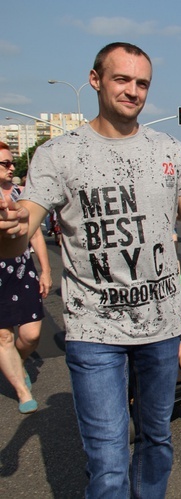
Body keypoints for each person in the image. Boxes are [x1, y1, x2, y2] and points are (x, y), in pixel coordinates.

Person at [0, 42, 181, 497]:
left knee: (157, 440)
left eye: (142, 83)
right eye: (122, 79)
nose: (133, 91)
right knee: (109, 459)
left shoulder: (169, 150)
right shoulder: (58, 155)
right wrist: (8, 229)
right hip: (93, 332)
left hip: (161, 328)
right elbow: (23, 230)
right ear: (95, 80)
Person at [0, 143, 52, 414]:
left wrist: (45, 269)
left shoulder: (21, 193)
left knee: (31, 335)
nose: (12, 168)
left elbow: (34, 234)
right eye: (5, 164)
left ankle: (16, 364)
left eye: (11, 163)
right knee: (3, 336)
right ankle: (21, 390)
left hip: (21, 268)